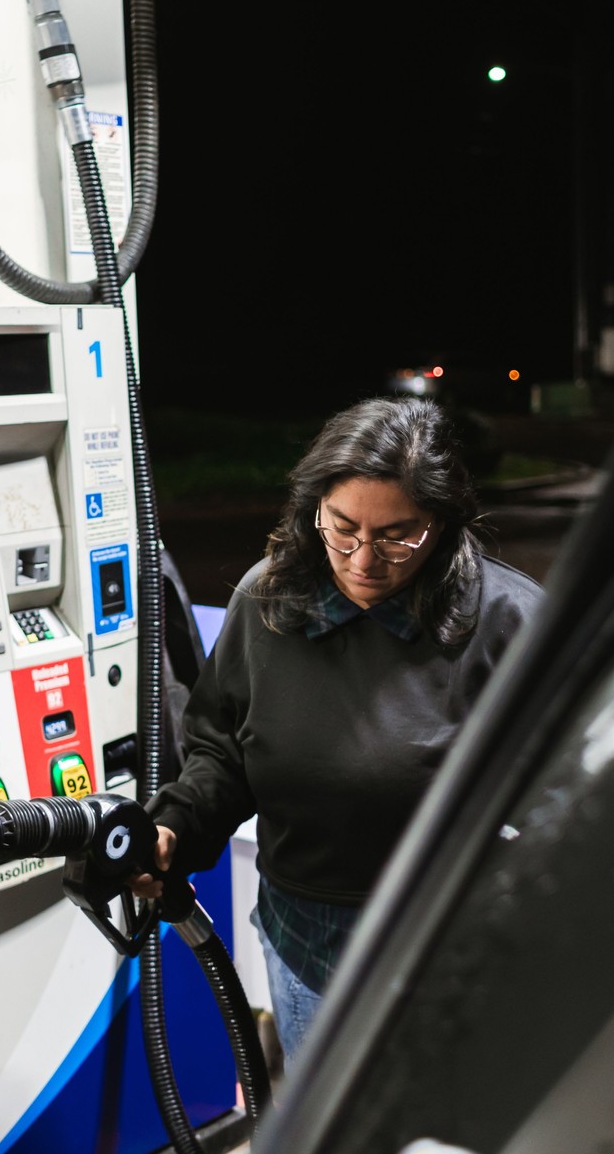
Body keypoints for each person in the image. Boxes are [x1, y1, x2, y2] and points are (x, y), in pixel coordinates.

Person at [132, 396, 543, 1064]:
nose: (362, 560)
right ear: (312, 509)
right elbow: (223, 751)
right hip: (310, 934)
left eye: (396, 535)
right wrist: (175, 827)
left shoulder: (509, 622)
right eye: (343, 528)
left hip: (458, 929)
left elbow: (568, 787)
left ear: (442, 523)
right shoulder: (267, 602)